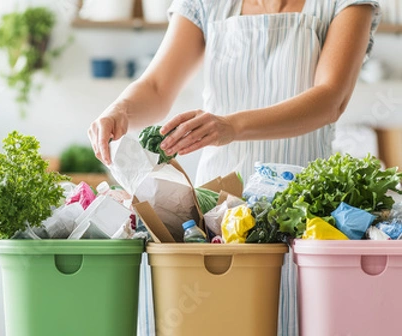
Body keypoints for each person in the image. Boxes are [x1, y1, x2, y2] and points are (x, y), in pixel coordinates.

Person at [88, 0, 381, 335]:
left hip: (305, 217)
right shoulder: (206, 4)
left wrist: (232, 126)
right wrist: (119, 109)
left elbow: (330, 99)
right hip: (217, 216)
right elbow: (157, 86)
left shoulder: (343, 3)